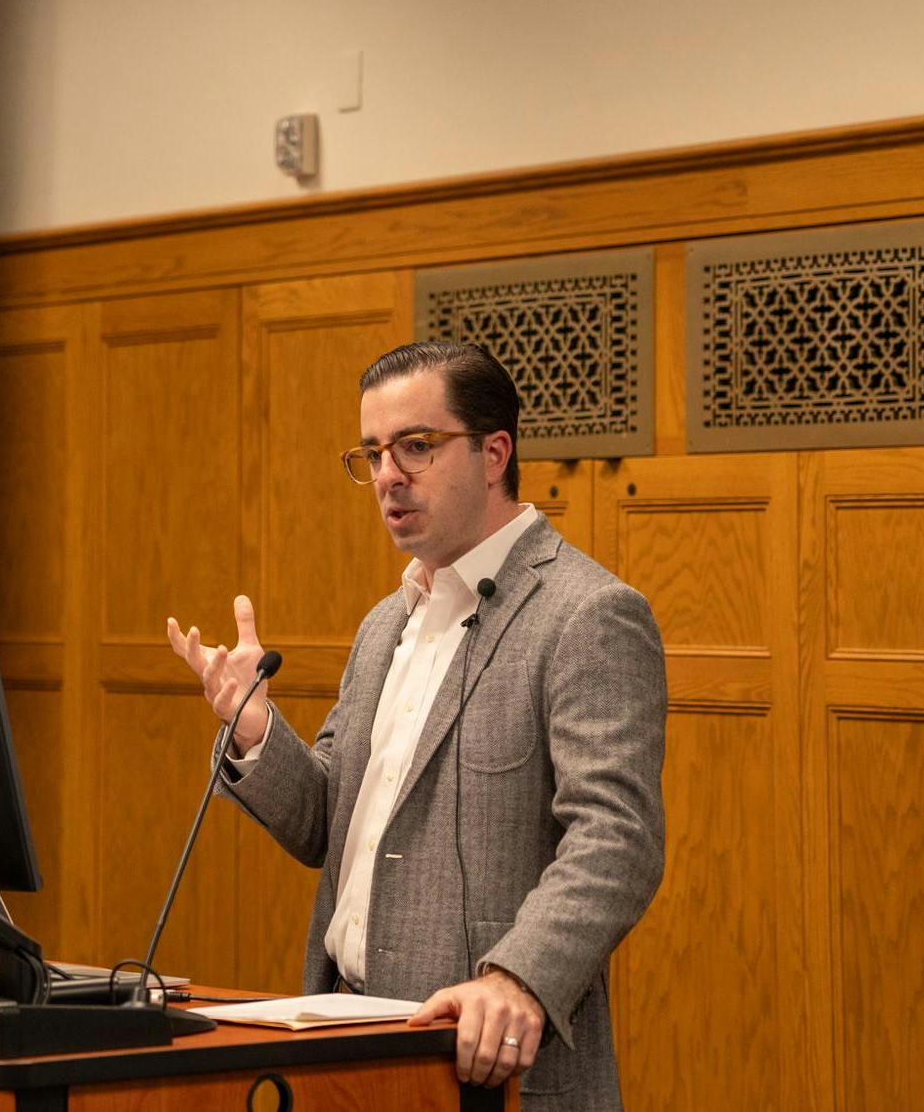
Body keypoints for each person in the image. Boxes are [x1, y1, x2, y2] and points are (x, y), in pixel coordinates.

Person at [167, 341, 665, 1110]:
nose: (388, 475)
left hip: (484, 1069)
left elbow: (617, 837)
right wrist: (255, 729)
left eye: (416, 447)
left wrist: (518, 976)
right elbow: (325, 825)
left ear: (495, 451)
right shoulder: (384, 626)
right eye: (372, 453)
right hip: (345, 1050)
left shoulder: (586, 614)